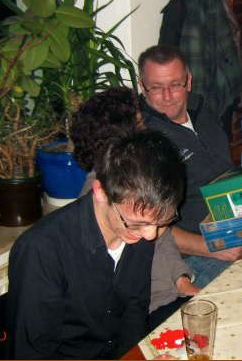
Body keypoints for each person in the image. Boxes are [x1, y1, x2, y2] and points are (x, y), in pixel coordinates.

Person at [7, 130, 185, 359]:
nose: (150, 235)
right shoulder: (41, 251)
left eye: (161, 223)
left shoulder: (139, 225)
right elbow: (32, 353)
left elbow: (134, 311)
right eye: (137, 223)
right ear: (100, 191)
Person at [70, 87, 199, 328]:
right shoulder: (104, 199)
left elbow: (162, 239)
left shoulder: (139, 180)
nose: (146, 128)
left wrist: (183, 282)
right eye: (140, 123)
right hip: (148, 311)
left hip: (172, 293)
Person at [137, 45, 242, 287]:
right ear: (142, 86)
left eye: (175, 84)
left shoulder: (201, 109)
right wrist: (211, 247)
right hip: (193, 257)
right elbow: (145, 223)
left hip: (236, 230)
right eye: (157, 87)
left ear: (188, 81)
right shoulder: (143, 141)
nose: (168, 96)